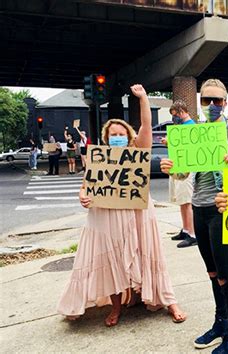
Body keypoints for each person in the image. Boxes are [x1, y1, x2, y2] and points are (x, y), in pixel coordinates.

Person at [58, 84, 186, 327]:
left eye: (121, 133)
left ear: (128, 136)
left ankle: (168, 300)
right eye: (112, 134)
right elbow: (86, 185)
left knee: (146, 253)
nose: (117, 137)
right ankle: (117, 306)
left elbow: (147, 126)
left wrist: (144, 99)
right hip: (108, 215)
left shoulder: (138, 150)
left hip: (138, 212)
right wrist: (82, 196)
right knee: (113, 259)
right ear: (107, 139)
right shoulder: (100, 158)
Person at [161, 79, 228, 354]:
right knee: (213, 273)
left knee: (227, 275)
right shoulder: (194, 133)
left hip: (223, 211)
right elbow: (183, 173)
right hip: (199, 209)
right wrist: (171, 167)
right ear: (200, 103)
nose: (212, 105)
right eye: (207, 100)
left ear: (226, 102)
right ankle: (220, 323)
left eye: (218, 100)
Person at [162, 100, 198, 248]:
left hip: (186, 167)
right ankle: (185, 229)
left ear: (182, 111)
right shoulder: (180, 127)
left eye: (175, 115)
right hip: (177, 166)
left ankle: (193, 234)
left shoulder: (191, 127)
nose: (174, 118)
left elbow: (190, 147)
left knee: (187, 201)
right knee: (181, 201)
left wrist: (170, 142)